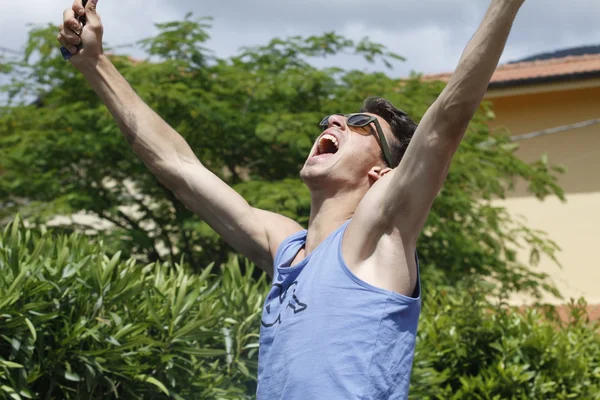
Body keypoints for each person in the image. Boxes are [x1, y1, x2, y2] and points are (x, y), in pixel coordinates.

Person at [57, 0, 525, 398]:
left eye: (361, 124)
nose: (334, 122)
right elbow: (178, 167)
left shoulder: (380, 235)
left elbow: (446, 120)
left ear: (383, 173)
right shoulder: (285, 250)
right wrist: (95, 64)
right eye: (332, 119)